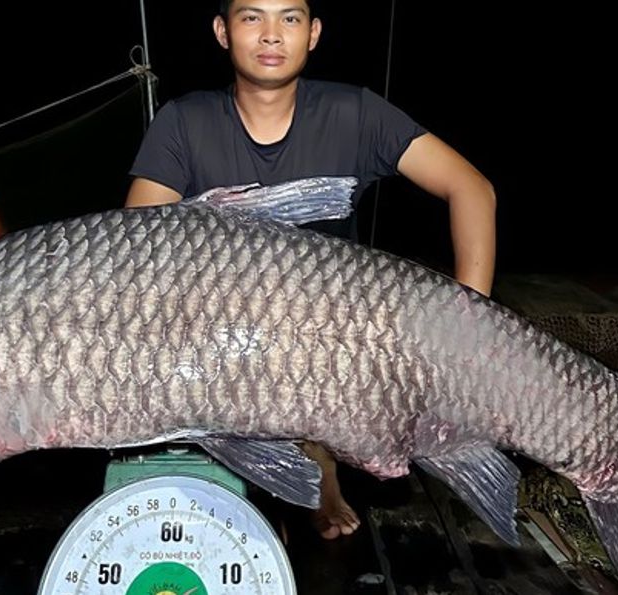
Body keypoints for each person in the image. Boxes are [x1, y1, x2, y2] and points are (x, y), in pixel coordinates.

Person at [124, 0, 496, 540]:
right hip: (216, 334)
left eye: (290, 18)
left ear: (314, 33)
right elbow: (132, 252)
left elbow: (471, 189)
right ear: (223, 32)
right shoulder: (184, 120)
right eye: (252, 17)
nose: (272, 34)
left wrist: (471, 319)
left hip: (334, 336)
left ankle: (321, 457)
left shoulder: (355, 112)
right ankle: (265, 461)